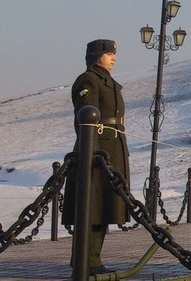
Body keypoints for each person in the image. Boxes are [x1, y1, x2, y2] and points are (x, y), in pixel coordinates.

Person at [62, 39, 129, 275]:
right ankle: (85, 260)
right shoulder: (88, 80)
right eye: (110, 53)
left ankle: (93, 258)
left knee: (104, 207)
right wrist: (92, 147)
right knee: (92, 207)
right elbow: (85, 117)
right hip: (96, 149)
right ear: (97, 56)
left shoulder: (109, 82)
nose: (114, 57)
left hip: (112, 148)